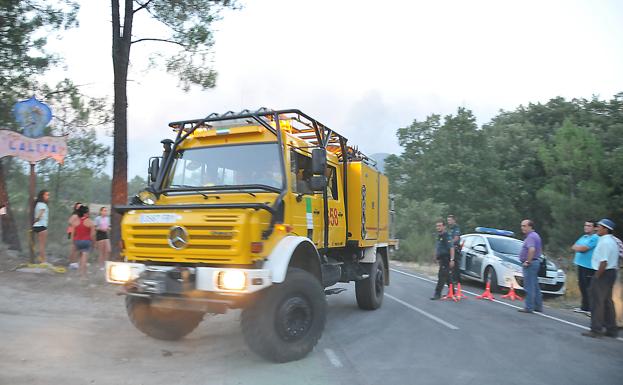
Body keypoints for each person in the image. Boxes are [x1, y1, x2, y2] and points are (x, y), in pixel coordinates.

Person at [582, 219, 619, 338]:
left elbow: (603, 262)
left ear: (606, 229)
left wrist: (597, 277)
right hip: (611, 272)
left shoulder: (605, 242)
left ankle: (596, 329)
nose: (597, 228)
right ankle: (611, 329)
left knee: (597, 301)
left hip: (603, 273)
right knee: (607, 301)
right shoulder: (612, 241)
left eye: (599, 226)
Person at [571, 221, 599, 315]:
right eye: (585, 225)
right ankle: (584, 307)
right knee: (582, 286)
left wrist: (579, 248)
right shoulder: (583, 237)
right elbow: (574, 246)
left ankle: (591, 309)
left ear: (595, 228)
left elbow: (584, 249)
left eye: (589, 226)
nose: (586, 227)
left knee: (589, 288)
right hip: (581, 265)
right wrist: (579, 248)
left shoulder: (595, 238)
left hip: (589, 267)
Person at [518, 219, 543, 313]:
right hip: (535, 262)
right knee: (535, 285)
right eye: (522, 226)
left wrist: (528, 261)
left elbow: (531, 250)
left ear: (530, 226)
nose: (522, 228)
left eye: (524, 226)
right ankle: (538, 306)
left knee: (529, 286)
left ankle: (529, 307)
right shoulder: (534, 235)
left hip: (531, 264)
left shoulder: (531, 237)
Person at [430, 220, 455, 300]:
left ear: (444, 226)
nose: (438, 227)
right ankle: (452, 291)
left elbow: (451, 248)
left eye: (440, 226)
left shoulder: (446, 236)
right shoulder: (439, 235)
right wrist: (435, 256)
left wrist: (452, 259)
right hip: (441, 258)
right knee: (447, 276)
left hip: (446, 259)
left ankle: (437, 294)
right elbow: (438, 247)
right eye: (437, 226)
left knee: (441, 276)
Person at [73, 205, 95, 279]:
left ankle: (79, 272)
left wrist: (73, 243)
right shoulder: (90, 222)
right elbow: (92, 235)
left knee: (80, 258)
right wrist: (93, 243)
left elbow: (73, 234)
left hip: (77, 241)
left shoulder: (75, 221)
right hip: (86, 241)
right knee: (84, 259)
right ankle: (83, 275)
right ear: (85, 213)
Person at [32, 190, 50, 264]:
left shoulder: (38, 203)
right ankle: (43, 261)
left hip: (37, 226)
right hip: (42, 226)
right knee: (42, 245)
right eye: (46, 195)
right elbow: (41, 212)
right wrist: (36, 219)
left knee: (41, 245)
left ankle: (41, 260)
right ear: (42, 196)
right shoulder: (42, 204)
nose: (48, 197)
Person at [447, 215, 461, 286]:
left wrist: (449, 242)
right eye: (448, 220)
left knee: (455, 265)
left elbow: (456, 238)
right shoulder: (450, 228)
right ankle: (451, 279)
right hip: (450, 248)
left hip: (455, 248)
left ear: (454, 220)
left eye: (450, 220)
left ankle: (456, 280)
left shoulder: (456, 228)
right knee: (450, 264)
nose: (448, 221)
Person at [67, 202, 82, 269]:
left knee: (78, 248)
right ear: (76, 208)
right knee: (74, 248)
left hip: (79, 233)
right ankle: (72, 263)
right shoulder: (75, 215)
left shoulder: (80, 215)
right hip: (74, 232)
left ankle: (76, 262)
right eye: (78, 207)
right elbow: (70, 222)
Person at [612, 235, 623, 328]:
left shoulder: (615, 241)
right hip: (613, 270)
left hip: (613, 270)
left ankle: (618, 321)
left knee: (615, 297)